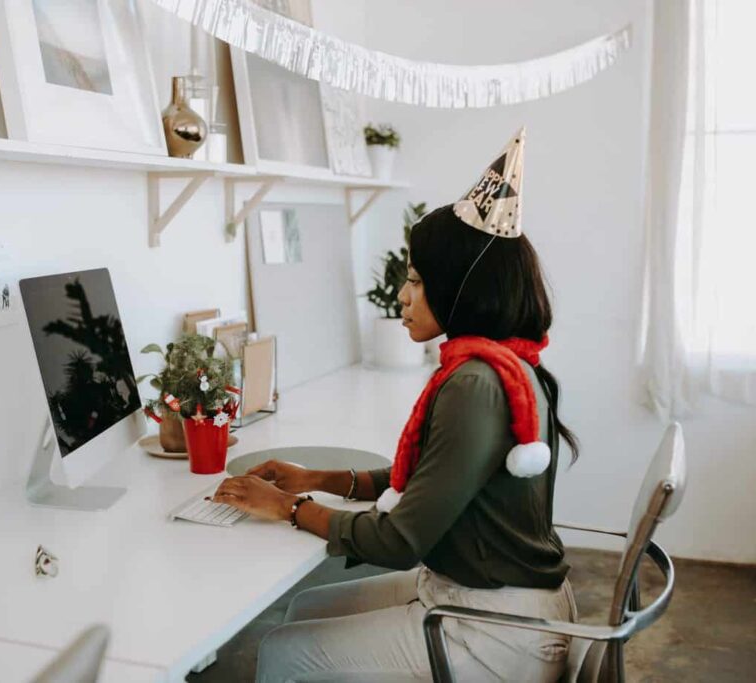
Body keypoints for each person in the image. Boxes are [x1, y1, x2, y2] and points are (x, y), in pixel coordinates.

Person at [212, 128, 582, 682]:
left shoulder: (476, 384)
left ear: (458, 288)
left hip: (495, 630)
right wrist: (317, 477)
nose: (403, 297)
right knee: (302, 612)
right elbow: (436, 479)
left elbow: (401, 539)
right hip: (485, 598)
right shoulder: (502, 364)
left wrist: (287, 508)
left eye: (415, 281)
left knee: (282, 653)